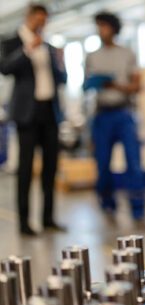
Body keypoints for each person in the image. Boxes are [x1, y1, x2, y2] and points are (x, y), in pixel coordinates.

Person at [0, 3, 67, 236]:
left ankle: (48, 218)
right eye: (38, 19)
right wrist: (28, 49)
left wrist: (61, 61)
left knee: (50, 168)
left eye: (45, 20)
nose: (42, 24)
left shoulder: (49, 47)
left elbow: (62, 78)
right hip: (27, 114)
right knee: (26, 170)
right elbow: (5, 68)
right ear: (29, 18)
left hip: (50, 112)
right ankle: (24, 223)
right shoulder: (12, 42)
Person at [85, 11, 145, 222]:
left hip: (123, 113)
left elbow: (137, 85)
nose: (101, 31)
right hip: (102, 116)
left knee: (134, 163)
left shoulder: (127, 54)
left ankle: (138, 210)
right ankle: (107, 205)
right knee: (102, 164)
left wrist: (114, 85)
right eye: (98, 26)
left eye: (104, 26)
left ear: (113, 28)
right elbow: (87, 87)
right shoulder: (92, 56)